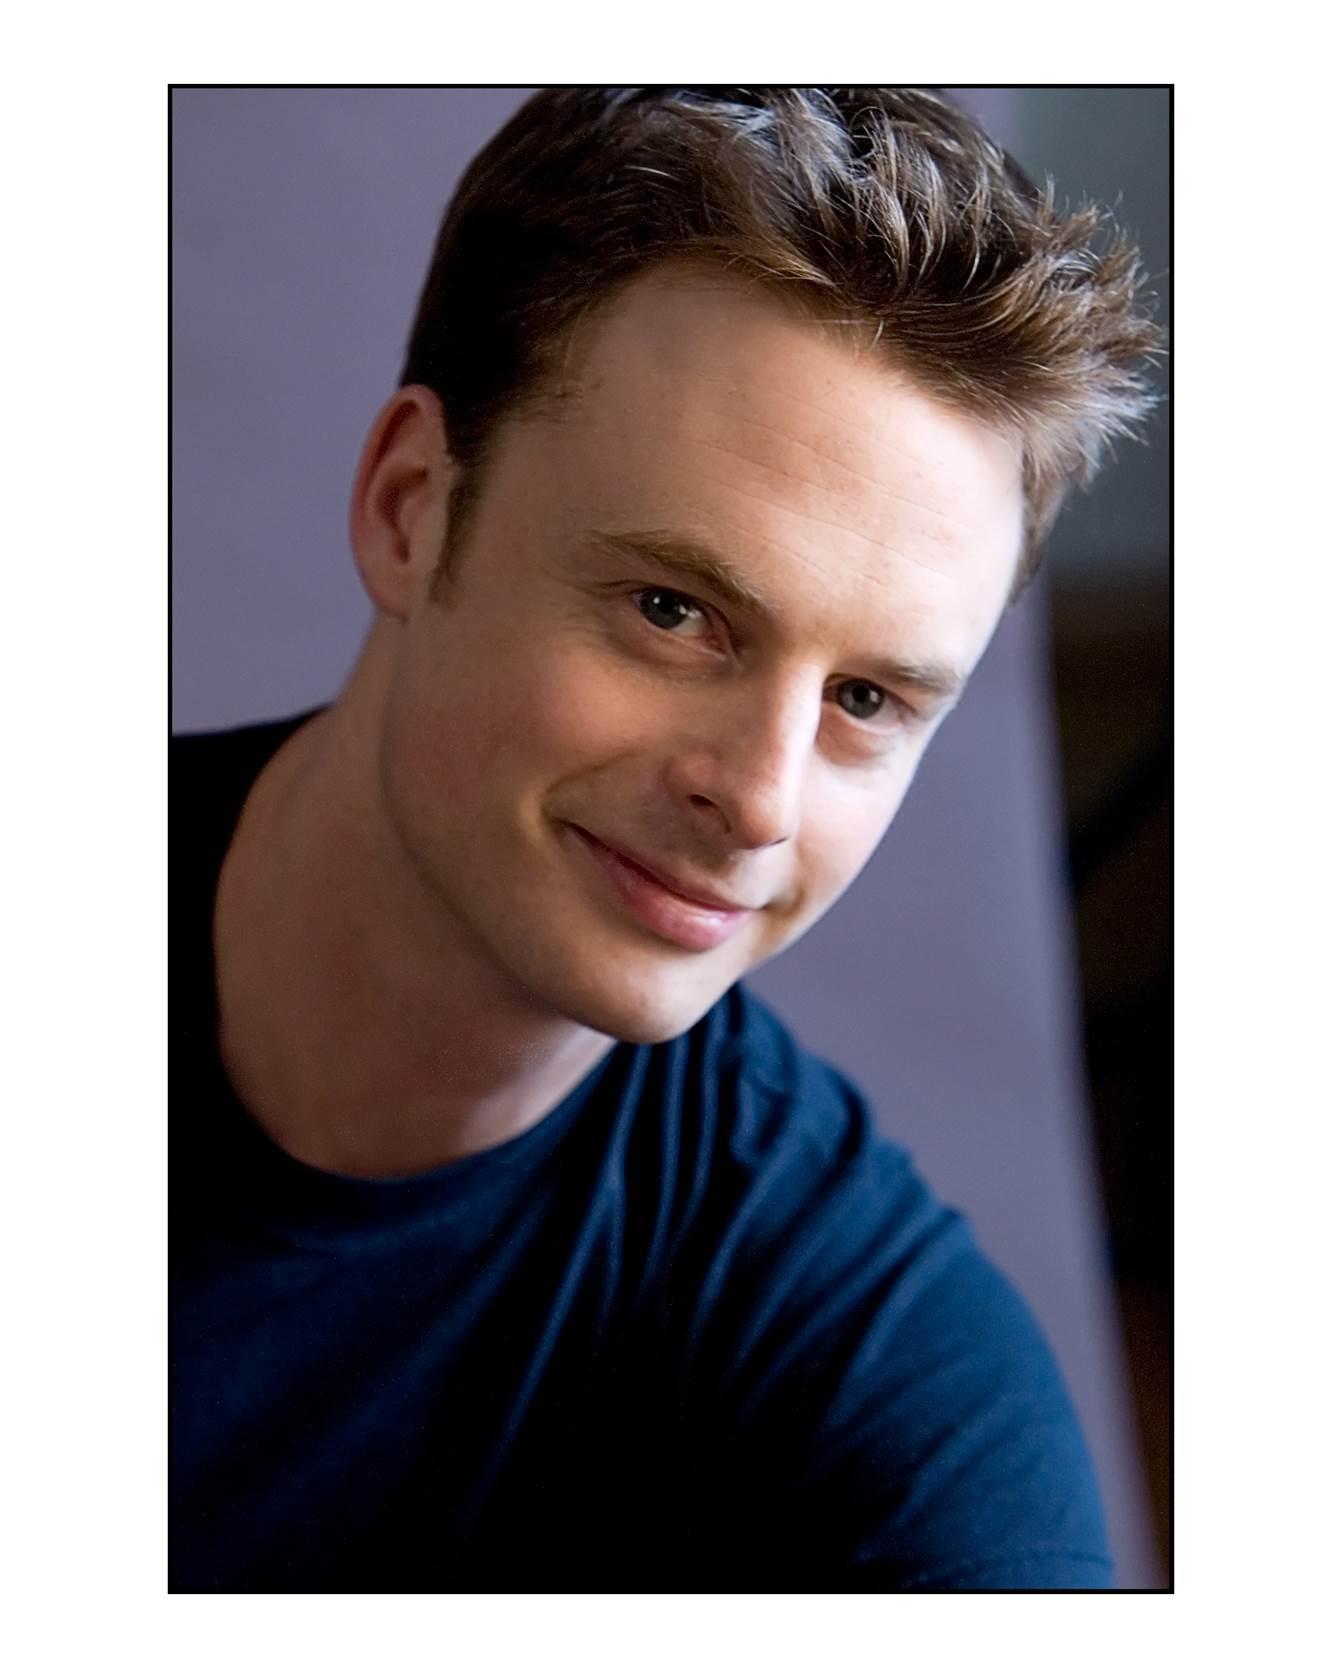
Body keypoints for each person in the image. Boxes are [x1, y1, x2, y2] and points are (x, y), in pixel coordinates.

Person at [171, 86, 1162, 1592]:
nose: (760, 800)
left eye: (866, 697)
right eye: (675, 612)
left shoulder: (864, 1358)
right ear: (408, 507)